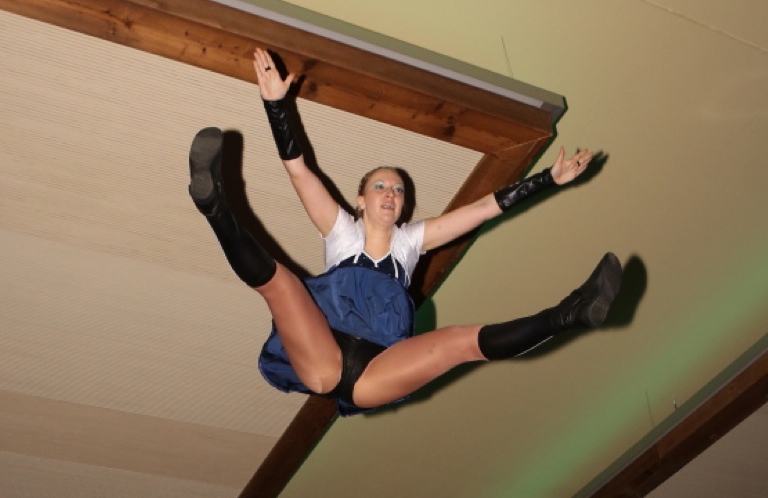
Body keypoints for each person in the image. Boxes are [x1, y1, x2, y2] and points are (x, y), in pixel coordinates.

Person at [188, 48, 623, 416]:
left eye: (398, 189)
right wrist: (276, 107)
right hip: (325, 355)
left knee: (459, 342)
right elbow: (299, 172)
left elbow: (482, 209)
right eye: (380, 186)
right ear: (360, 200)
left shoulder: (412, 241)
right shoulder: (340, 231)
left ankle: (571, 314)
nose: (391, 193)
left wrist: (548, 179)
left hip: (377, 372)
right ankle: (213, 204)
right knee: (282, 285)